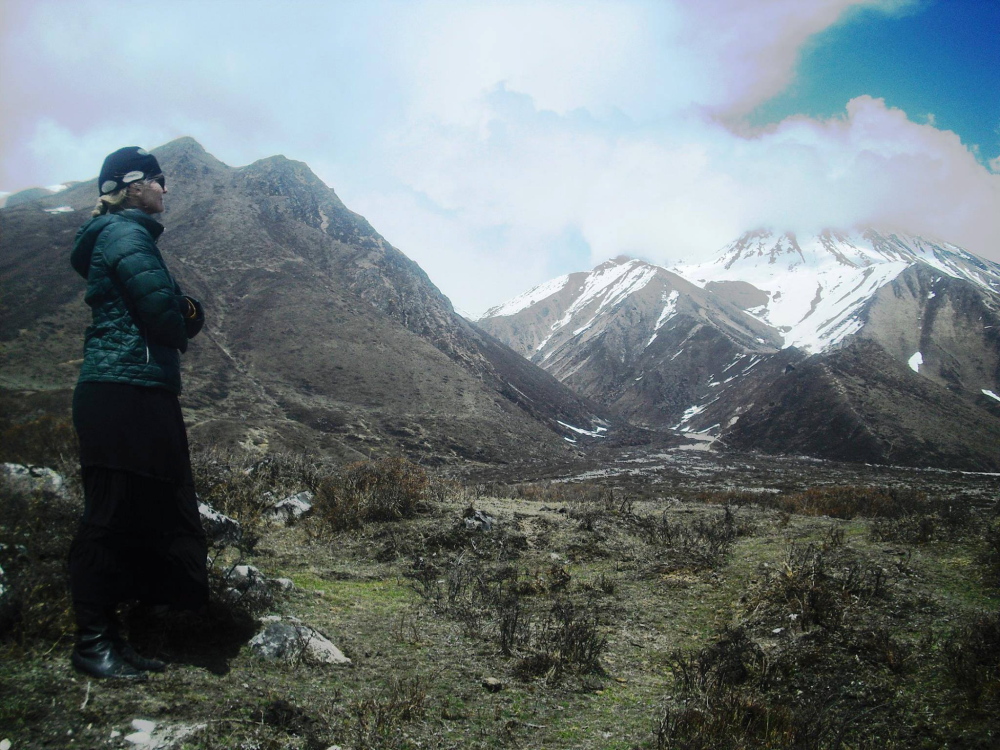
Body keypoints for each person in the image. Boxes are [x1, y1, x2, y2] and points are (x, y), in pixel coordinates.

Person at [68, 146, 208, 680]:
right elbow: (174, 321)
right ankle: (92, 642)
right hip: (125, 390)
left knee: (128, 514)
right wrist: (187, 309)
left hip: (128, 388)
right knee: (108, 517)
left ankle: (114, 637)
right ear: (132, 187)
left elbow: (175, 312)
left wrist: (183, 309)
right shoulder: (128, 238)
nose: (165, 189)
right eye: (158, 180)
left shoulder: (122, 238)